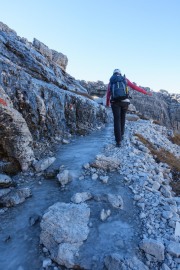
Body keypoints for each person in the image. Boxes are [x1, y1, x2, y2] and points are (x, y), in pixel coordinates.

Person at [106, 69, 152, 147]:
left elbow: (108, 93)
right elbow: (134, 87)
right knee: (123, 118)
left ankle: (118, 141)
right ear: (120, 73)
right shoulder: (125, 79)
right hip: (125, 102)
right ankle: (122, 135)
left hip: (115, 102)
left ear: (113, 74)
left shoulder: (111, 81)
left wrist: (107, 103)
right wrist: (145, 92)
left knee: (116, 120)